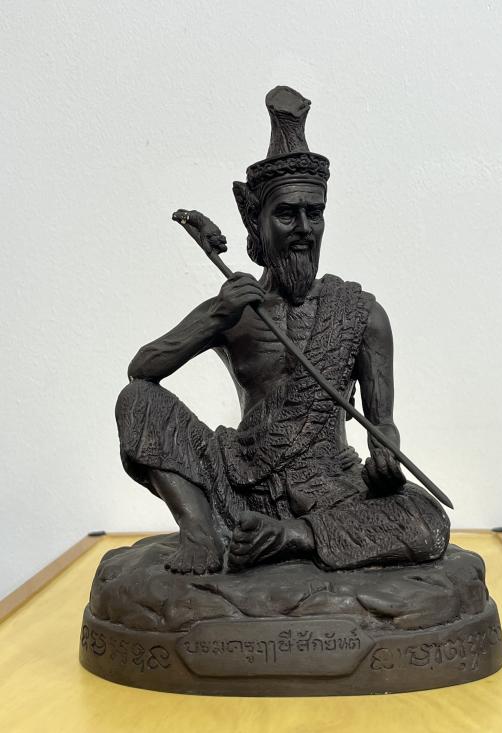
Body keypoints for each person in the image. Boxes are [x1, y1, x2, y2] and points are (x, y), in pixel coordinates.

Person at [115, 86, 449, 575]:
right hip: (239, 479)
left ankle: (291, 537)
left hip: (330, 491)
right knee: (136, 401)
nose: (303, 228)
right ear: (257, 221)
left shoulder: (360, 314)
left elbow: (383, 425)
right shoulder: (236, 307)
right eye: (287, 213)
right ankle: (202, 533)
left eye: (314, 214)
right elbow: (142, 370)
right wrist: (217, 315)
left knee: (425, 518)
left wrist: (384, 458)